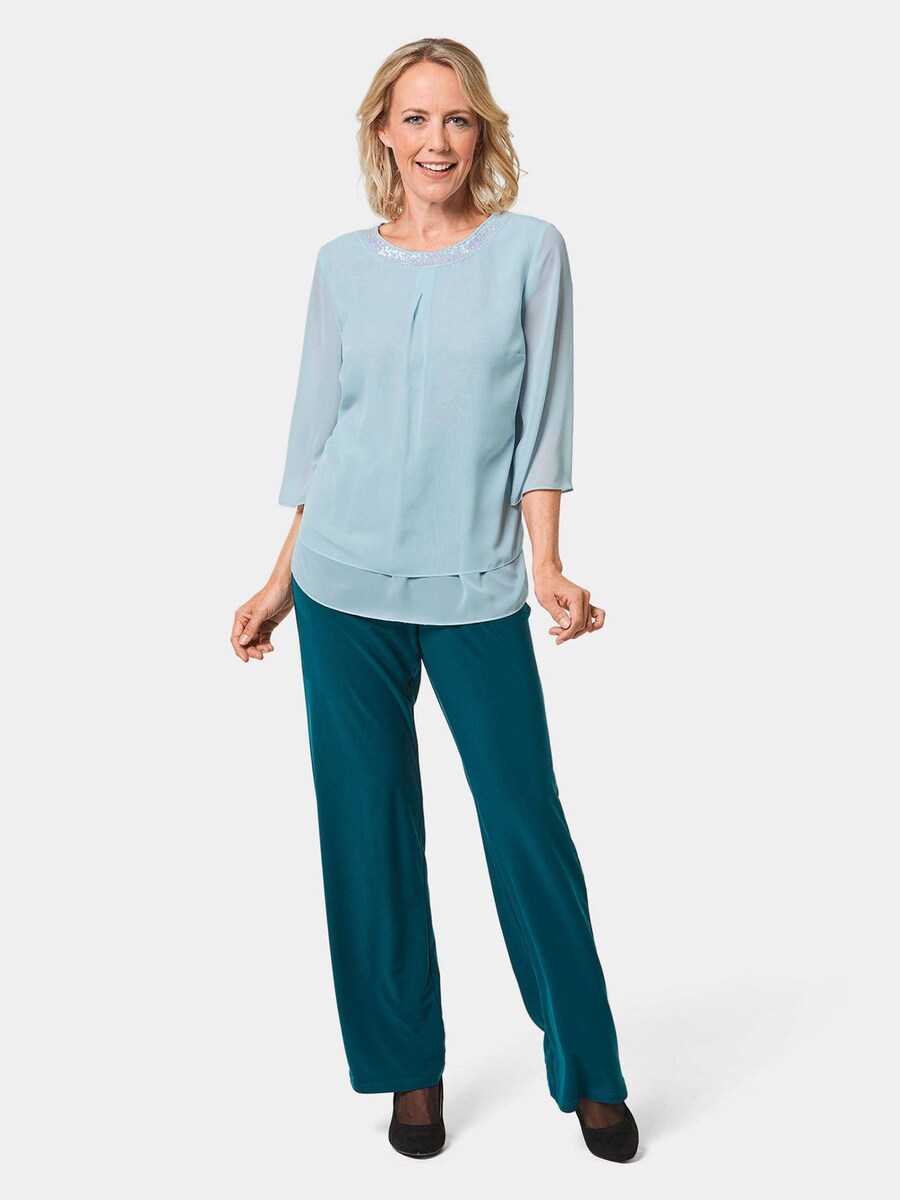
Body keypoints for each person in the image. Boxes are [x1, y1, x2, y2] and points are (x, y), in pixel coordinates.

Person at [231, 37, 639, 1163]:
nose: (436, 141)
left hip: (474, 585)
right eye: (414, 119)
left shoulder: (530, 251)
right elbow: (319, 438)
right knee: (366, 837)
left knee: (523, 825)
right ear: (383, 132)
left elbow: (544, 430)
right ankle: (409, 1072)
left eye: (456, 119)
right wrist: (277, 583)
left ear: (482, 132)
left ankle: (589, 1069)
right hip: (341, 585)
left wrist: (547, 566)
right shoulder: (338, 266)